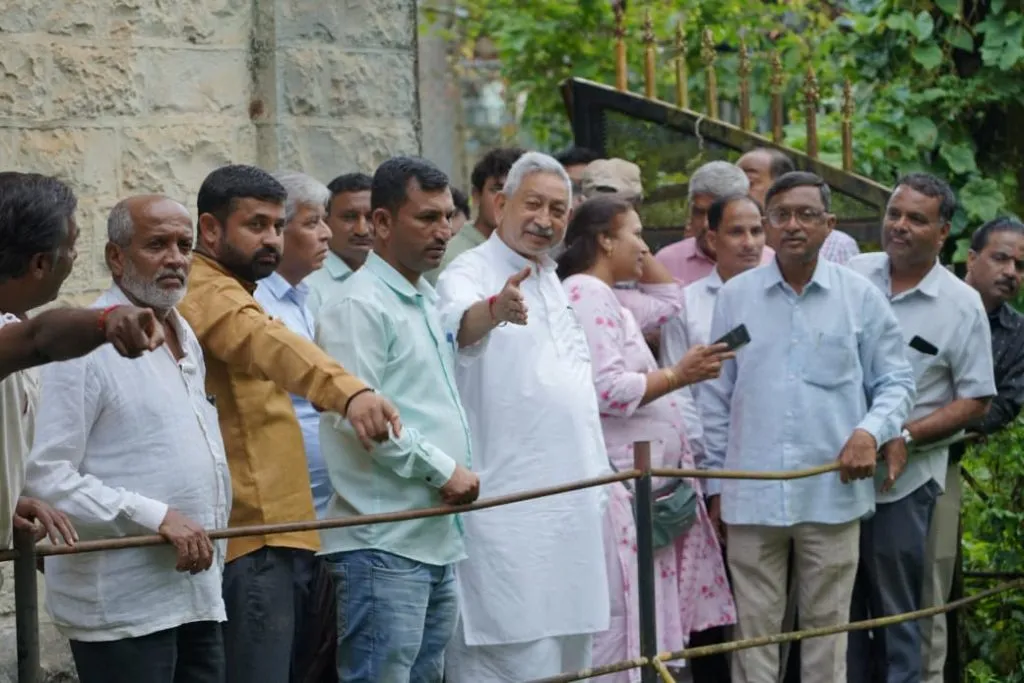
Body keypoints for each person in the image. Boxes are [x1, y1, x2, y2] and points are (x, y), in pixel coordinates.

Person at [177, 164, 401, 683]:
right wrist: (349, 393)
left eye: (278, 226)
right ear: (210, 230)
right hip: (255, 536)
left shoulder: (238, 289)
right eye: (256, 226)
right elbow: (262, 342)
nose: (271, 241)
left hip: (289, 530)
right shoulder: (207, 290)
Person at [699, 171, 917, 683]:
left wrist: (869, 432)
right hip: (751, 492)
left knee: (826, 632)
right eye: (781, 215)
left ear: (829, 225)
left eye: (807, 215)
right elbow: (715, 397)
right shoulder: (736, 297)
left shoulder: (859, 297)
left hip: (830, 491)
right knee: (754, 633)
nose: (793, 225)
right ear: (767, 225)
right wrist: (715, 485)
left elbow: (896, 382)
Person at [24, 195, 230, 683]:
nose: (176, 258)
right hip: (122, 608)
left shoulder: (184, 334)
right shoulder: (84, 345)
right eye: (157, 244)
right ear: (117, 256)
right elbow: (45, 478)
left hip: (197, 592)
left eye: (185, 245)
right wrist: (156, 516)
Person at [436, 152, 610, 681]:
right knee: (511, 656)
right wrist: (493, 310)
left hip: (573, 509)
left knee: (571, 656)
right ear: (500, 202)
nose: (545, 219)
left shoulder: (552, 277)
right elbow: (459, 328)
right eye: (532, 204)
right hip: (508, 515)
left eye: (558, 209)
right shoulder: (470, 271)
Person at [557, 195, 736, 682]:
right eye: (634, 233)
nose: (645, 246)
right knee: (626, 633)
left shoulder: (606, 292)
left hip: (645, 493)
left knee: (646, 630)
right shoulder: (587, 292)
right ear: (604, 240)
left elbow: (669, 297)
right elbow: (609, 391)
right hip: (623, 489)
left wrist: (632, 251)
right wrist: (679, 375)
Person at [317, 156, 480, 682]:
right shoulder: (358, 305)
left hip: (430, 536)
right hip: (382, 545)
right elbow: (361, 421)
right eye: (426, 218)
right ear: (382, 223)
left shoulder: (423, 299)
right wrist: (443, 470)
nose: (444, 231)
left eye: (449, 217)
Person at [846, 174, 994, 683]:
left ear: (944, 231)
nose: (900, 226)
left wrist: (905, 436)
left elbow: (975, 399)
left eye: (916, 218)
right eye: (894, 214)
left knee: (900, 614)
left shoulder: (961, 303)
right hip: (833, 478)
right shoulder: (851, 274)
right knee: (839, 614)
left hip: (903, 486)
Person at [0, 173, 162, 554]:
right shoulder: (17, 337)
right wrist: (107, 321)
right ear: (41, 263)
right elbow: (40, 338)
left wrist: (7, 502)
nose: (74, 258)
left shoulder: (11, 322)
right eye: (71, 247)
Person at [940, 217, 1024, 679]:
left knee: (934, 587)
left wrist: (943, 425)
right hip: (864, 452)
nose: (1011, 271)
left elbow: (1005, 403)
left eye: (1020, 264)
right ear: (971, 259)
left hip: (942, 460)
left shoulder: (1016, 332)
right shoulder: (934, 299)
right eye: (1001, 257)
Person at [660, 193, 766, 470]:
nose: (749, 243)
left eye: (756, 231)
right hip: (706, 455)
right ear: (712, 239)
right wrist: (705, 457)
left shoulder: (783, 299)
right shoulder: (685, 304)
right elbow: (677, 390)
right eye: (736, 232)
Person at [254, 171, 333, 516]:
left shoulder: (299, 298)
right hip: (277, 506)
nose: (327, 234)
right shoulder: (257, 302)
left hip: (314, 506)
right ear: (277, 231)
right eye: (313, 222)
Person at [654, 161, 773, 285]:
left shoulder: (772, 264)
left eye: (716, 214)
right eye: (699, 212)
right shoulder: (666, 263)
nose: (706, 223)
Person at [737, 148, 859, 264]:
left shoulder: (837, 245)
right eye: (735, 182)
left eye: (749, 182)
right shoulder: (733, 243)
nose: (792, 227)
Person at [425, 146, 525, 284]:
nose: (505, 199)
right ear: (476, 195)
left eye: (516, 191)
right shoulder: (455, 260)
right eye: (497, 189)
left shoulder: (528, 256)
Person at [306, 172, 373, 319]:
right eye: (349, 217)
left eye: (370, 218)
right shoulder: (308, 286)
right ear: (325, 220)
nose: (362, 230)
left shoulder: (392, 278)